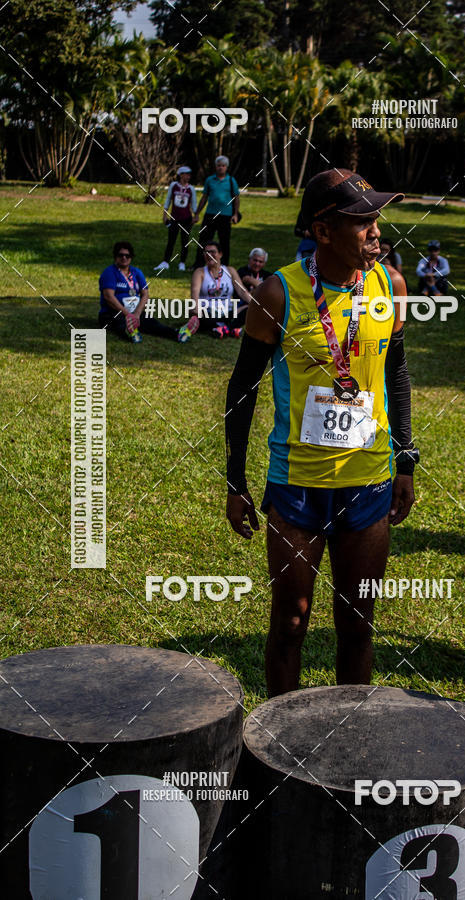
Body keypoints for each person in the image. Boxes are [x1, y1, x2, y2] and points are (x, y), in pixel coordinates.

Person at [225, 168, 417, 697]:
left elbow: (396, 374)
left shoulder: (391, 286)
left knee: (358, 625)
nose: (376, 230)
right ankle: (278, 752)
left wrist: (405, 461)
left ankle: (351, 743)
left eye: (376, 217)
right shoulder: (278, 293)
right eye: (362, 221)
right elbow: (242, 390)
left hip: (369, 486)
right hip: (297, 488)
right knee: (290, 623)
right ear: (323, 231)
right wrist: (235, 480)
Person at [99, 241, 181, 344]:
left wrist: (137, 313)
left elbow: (145, 294)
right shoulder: (109, 272)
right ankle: (130, 332)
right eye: (121, 255)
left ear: (131, 257)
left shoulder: (137, 272)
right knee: (120, 322)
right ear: (115, 256)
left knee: (152, 323)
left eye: (127, 255)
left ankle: (177, 333)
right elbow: (109, 297)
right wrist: (127, 314)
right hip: (113, 312)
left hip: (134, 311)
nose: (124, 258)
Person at [180, 241, 254, 340]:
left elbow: (242, 291)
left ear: (220, 254)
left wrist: (255, 304)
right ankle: (230, 328)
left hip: (228, 313)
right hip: (208, 312)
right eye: (206, 252)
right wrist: (196, 311)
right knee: (195, 313)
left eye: (213, 252)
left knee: (250, 308)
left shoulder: (230, 271)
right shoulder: (200, 272)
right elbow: (195, 295)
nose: (209, 255)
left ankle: (222, 328)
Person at [192, 156, 240, 268]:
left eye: (223, 166)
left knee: (224, 241)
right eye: (219, 165)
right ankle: (198, 264)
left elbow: (236, 198)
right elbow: (204, 198)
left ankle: (224, 265)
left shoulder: (231, 181)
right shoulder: (210, 180)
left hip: (225, 215)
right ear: (215, 166)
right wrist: (197, 213)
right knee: (203, 239)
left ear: (226, 167)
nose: (220, 168)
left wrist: (235, 214)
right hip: (210, 214)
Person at [154, 166, 198, 272]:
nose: (188, 176)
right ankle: (165, 261)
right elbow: (168, 200)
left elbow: (194, 203)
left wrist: (196, 215)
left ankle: (182, 262)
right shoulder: (174, 186)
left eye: (189, 174)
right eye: (186, 174)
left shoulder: (191, 189)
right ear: (181, 175)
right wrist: (165, 215)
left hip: (186, 218)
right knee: (171, 240)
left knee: (184, 241)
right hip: (174, 217)